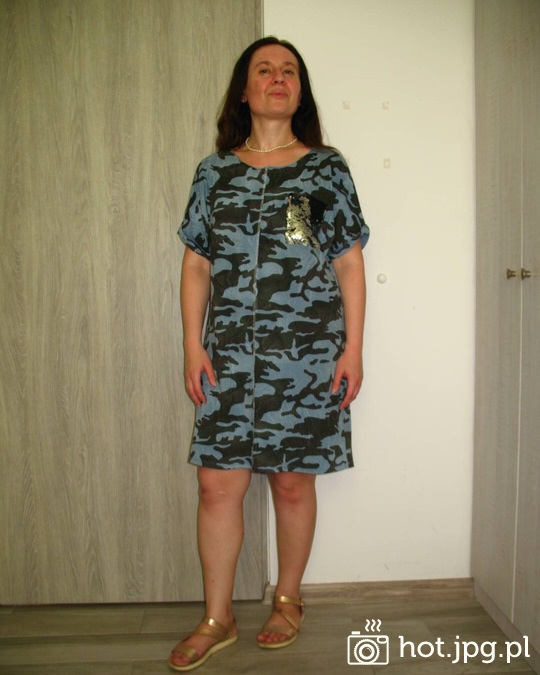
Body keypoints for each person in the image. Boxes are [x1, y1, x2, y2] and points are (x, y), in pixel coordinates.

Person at [169, 36, 369, 672]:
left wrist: (353, 350)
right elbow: (196, 264)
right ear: (244, 90)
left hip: (304, 356)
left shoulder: (324, 169)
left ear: (299, 90)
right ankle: (217, 617)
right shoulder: (214, 172)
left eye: (289, 71)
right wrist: (192, 345)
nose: (278, 78)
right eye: (265, 69)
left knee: (290, 480)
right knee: (216, 484)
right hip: (227, 355)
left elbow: (346, 262)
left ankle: (288, 598)